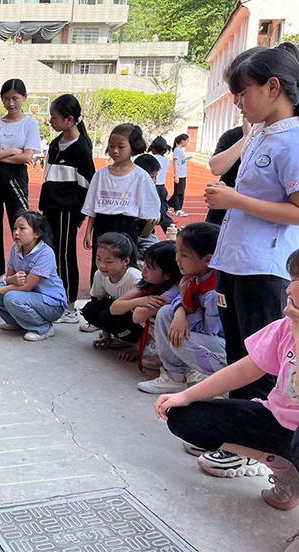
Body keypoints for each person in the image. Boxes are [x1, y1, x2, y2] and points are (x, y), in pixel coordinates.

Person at [198, 43, 299, 480]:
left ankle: (250, 449)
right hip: (237, 260)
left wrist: (236, 199)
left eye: (243, 91)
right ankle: (233, 435)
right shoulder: (262, 133)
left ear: (273, 87)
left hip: (263, 265)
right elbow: (219, 165)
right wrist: (247, 133)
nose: (238, 101)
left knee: (259, 360)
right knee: (239, 350)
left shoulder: (292, 141)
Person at [155, 249, 299, 544]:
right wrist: (186, 395)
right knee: (184, 416)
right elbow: (247, 368)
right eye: (294, 278)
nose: (290, 288)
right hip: (279, 422)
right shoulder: (286, 326)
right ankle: (285, 468)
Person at [138, 222, 225, 393]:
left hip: (222, 349)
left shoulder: (214, 291)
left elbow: (211, 332)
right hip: (205, 339)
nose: (177, 259)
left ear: (208, 259)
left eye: (184, 254)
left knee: (178, 338)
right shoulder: (195, 278)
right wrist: (181, 311)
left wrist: (187, 312)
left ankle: (221, 381)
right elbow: (181, 302)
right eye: (177, 252)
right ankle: (174, 377)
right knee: (165, 313)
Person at [0, 79, 40, 292]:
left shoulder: (29, 124)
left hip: (16, 178)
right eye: (6, 99)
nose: (11, 103)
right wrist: (13, 151)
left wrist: (1, 154)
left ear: (24, 97)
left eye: (15, 98)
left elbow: (26, 158)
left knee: (22, 226)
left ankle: (24, 273)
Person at [81, 123, 160, 289]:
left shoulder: (140, 176)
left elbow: (150, 210)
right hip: (102, 226)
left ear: (133, 148)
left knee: (125, 266)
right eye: (111, 146)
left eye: (121, 146)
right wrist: (88, 231)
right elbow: (93, 206)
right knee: (101, 264)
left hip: (126, 226)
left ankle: (125, 301)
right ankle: (99, 298)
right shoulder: (101, 175)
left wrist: (145, 225)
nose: (115, 151)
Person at [39, 94, 95, 324]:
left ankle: (70, 306)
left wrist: (81, 215)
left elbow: (90, 184)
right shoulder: (55, 143)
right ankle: (54, 298)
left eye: (54, 117)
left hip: (67, 211)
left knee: (65, 255)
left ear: (69, 119)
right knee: (50, 254)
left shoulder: (81, 149)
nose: (50, 121)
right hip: (51, 207)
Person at [0, 211, 67, 341]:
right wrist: (12, 280)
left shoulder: (46, 253)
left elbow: (27, 286)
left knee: (10, 296)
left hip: (51, 304)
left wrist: (0, 289)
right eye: (15, 228)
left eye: (22, 228)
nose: (16, 232)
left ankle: (43, 328)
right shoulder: (15, 247)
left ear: (37, 234)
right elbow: (9, 278)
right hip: (26, 296)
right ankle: (18, 323)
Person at [105, 240, 181, 364]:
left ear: (168, 275)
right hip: (163, 332)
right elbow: (114, 308)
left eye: (150, 267)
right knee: (101, 313)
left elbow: (138, 316)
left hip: (186, 337)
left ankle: (175, 363)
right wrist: (141, 300)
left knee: (156, 315)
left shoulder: (174, 290)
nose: (143, 269)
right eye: (145, 263)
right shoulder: (148, 283)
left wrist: (139, 304)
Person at [80, 232, 143, 348]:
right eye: (98, 259)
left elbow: (145, 316)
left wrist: (138, 348)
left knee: (107, 315)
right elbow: (99, 301)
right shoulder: (100, 274)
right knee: (90, 309)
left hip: (137, 318)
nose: (102, 265)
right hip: (118, 311)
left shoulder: (135, 279)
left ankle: (136, 339)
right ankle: (116, 335)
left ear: (126, 262)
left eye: (109, 262)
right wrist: (106, 334)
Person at [205, 125, 244, 225]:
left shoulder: (281, 139)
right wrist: (246, 137)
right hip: (222, 213)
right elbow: (216, 168)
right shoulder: (233, 136)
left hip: (255, 217)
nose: (242, 109)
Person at [133, 153, 170, 252]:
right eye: (151, 177)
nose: (155, 180)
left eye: (156, 176)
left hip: (146, 235)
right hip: (128, 234)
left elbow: (163, 214)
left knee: (158, 253)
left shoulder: (154, 191)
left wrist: (158, 217)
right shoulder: (128, 190)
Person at [149, 136, 175, 234]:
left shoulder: (151, 159)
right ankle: (172, 232)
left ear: (153, 149)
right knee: (162, 212)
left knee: (151, 212)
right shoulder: (166, 161)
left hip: (153, 187)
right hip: (162, 188)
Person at [168, 134, 191, 216]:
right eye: (187, 141)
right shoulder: (177, 150)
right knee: (179, 192)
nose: (187, 143)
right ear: (182, 141)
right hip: (179, 174)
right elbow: (175, 162)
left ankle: (168, 205)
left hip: (182, 174)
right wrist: (176, 175)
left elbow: (180, 161)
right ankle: (178, 209)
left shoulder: (180, 150)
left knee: (180, 191)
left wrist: (185, 159)